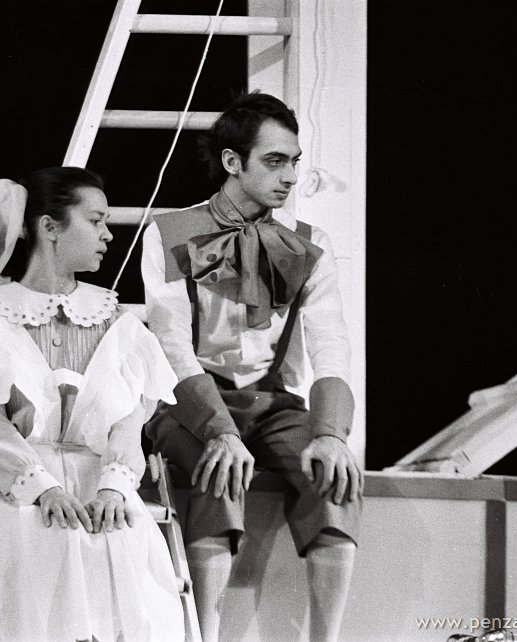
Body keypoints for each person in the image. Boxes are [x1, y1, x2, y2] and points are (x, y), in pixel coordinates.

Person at [0, 167, 185, 642]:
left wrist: (115, 487)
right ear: (50, 227)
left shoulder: (121, 326)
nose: (108, 235)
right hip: (15, 492)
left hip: (101, 492)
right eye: (95, 221)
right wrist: (43, 490)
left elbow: (130, 425)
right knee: (28, 562)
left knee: (127, 581)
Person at [141, 92, 363, 642]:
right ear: (232, 162)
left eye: (294, 161)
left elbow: (331, 343)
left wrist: (331, 433)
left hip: (272, 402)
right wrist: (219, 429)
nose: (290, 176)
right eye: (274, 161)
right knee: (216, 471)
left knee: (333, 476)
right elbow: (171, 344)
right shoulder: (169, 233)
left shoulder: (309, 245)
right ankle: (205, 636)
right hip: (188, 404)